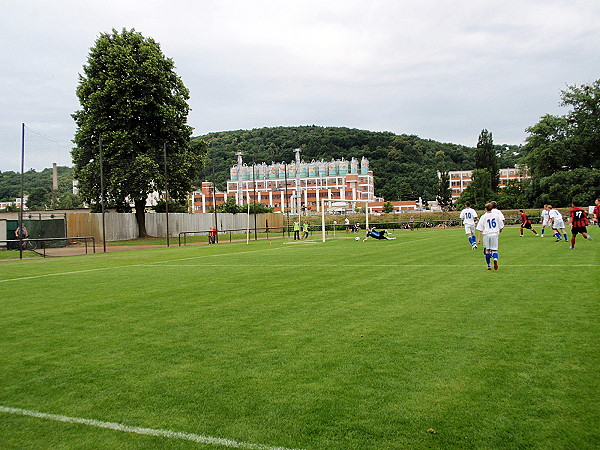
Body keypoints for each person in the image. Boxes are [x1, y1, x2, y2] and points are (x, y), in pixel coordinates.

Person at [476, 203, 503, 270]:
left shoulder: (483, 217)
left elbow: (480, 229)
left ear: (486, 209)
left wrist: (479, 239)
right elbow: (501, 225)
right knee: (494, 250)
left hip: (486, 234)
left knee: (487, 250)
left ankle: (488, 265)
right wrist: (500, 230)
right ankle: (495, 259)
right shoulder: (496, 216)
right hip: (494, 233)